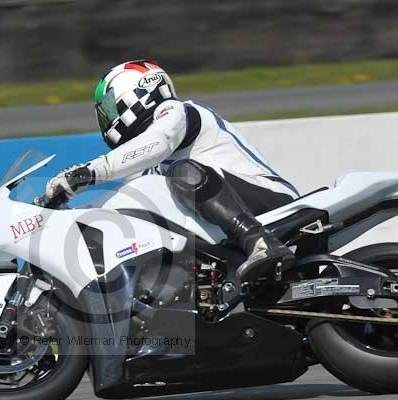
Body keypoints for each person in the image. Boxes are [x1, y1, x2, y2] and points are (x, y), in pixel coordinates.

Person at [43, 60, 299, 282]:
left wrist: (88, 172)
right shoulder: (146, 169)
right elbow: (125, 202)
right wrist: (68, 220)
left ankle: (259, 240)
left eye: (110, 107)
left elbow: (158, 142)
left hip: (270, 201)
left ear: (137, 93)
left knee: (182, 172)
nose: (108, 117)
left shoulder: (177, 111)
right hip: (221, 222)